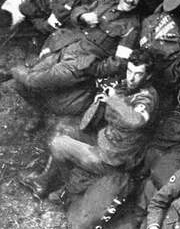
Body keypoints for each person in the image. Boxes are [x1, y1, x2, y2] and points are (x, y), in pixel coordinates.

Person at [19, 49, 160, 201]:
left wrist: (114, 100)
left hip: (114, 159)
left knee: (57, 144)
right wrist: (103, 99)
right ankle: (43, 181)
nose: (131, 78)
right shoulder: (126, 87)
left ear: (148, 76)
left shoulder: (147, 98)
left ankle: (68, 189)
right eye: (129, 71)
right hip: (107, 141)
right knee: (63, 126)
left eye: (138, 74)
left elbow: (137, 120)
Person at [10, 0, 145, 128]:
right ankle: (37, 112)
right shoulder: (105, 3)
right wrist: (82, 17)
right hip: (66, 45)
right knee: (23, 83)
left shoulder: (132, 26)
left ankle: (10, 71)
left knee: (33, 80)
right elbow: (77, 10)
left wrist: (94, 68)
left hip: (81, 62)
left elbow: (120, 62)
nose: (131, 0)